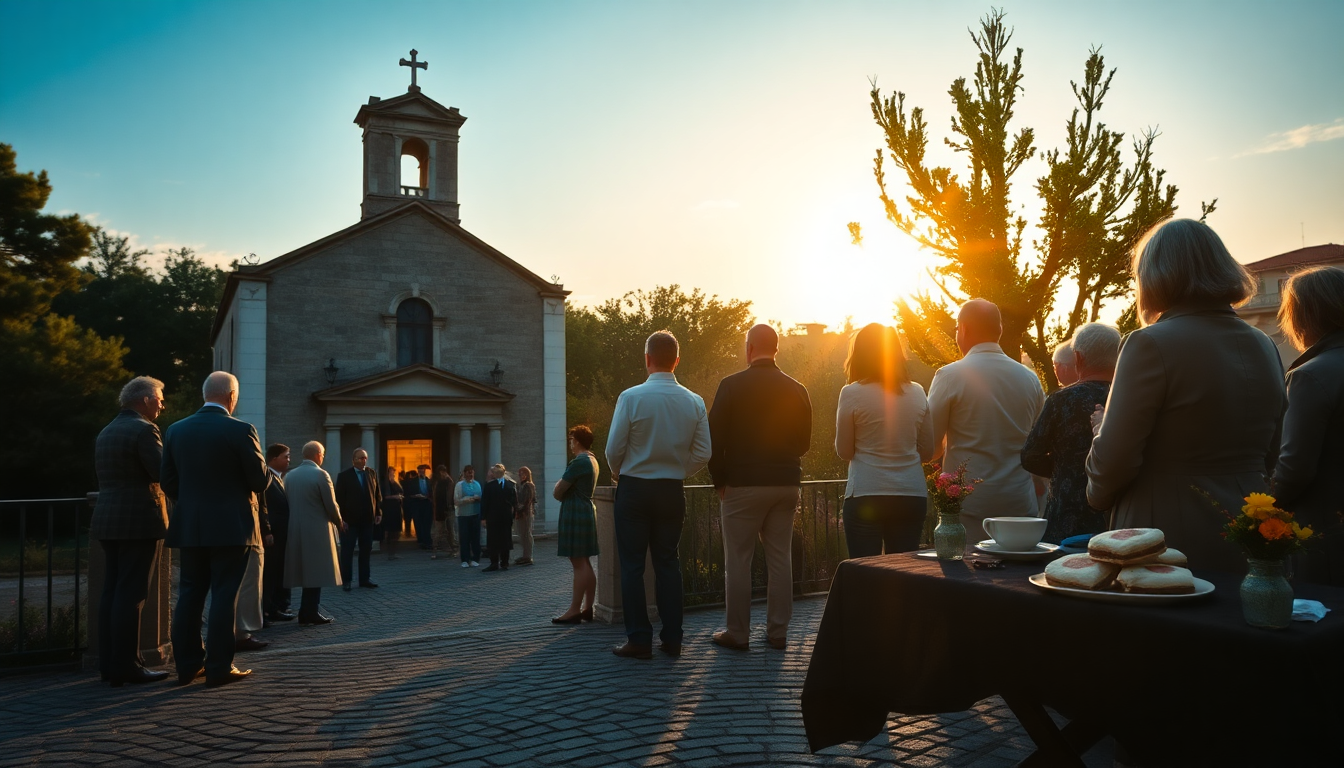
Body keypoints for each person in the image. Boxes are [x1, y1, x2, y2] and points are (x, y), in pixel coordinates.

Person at [1086, 218, 1284, 575]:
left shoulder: (1148, 343)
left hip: (1165, 527)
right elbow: (1273, 447)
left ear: (1154, 274)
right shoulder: (1263, 343)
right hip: (1251, 525)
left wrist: (1100, 443)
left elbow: (1115, 457)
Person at [606, 330, 712, 659]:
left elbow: (613, 448)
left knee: (633, 566)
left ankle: (639, 639)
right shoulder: (694, 401)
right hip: (671, 489)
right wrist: (679, 469)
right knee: (668, 563)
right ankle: (673, 638)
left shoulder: (631, 397)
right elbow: (704, 452)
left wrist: (618, 470)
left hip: (635, 488)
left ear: (647, 359)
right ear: (676, 360)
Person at [707, 324, 812, 652]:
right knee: (780, 558)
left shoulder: (731, 386)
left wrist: (720, 481)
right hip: (785, 484)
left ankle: (737, 633)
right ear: (776, 349)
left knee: (738, 559)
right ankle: (778, 631)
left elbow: (713, 440)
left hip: (742, 485)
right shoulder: (798, 389)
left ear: (750, 348)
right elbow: (804, 444)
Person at [162, 371, 270, 687]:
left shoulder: (175, 430)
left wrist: (195, 503)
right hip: (232, 527)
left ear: (204, 393)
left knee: (190, 595)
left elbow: (168, 480)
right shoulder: (241, 430)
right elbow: (260, 481)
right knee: (224, 595)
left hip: (191, 525)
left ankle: (187, 666)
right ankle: (219, 667)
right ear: (231, 397)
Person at [927, 300, 1046, 542]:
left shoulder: (949, 376)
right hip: (1019, 501)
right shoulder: (1030, 379)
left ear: (964, 329)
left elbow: (931, 446)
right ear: (999, 331)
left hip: (969, 505)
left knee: (964, 576)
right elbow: (1040, 441)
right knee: (1015, 577)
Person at [91, 375, 171, 686]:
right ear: (146, 399)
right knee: (133, 594)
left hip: (108, 519)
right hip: (138, 520)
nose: (162, 405)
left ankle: (110, 664)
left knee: (112, 592)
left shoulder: (107, 430)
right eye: (160, 399)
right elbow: (161, 472)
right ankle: (129, 665)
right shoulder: (144, 429)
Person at [834, 323, 935, 559]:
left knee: (865, 572)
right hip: (911, 494)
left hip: (867, 492)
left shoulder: (851, 393)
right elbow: (928, 451)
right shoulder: (918, 392)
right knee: (903, 575)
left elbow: (844, 451)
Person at [1273, 266, 1344, 586]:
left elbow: (1295, 468)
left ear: (1302, 317)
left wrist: (1262, 509)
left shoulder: (1310, 375)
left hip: (1325, 533)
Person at [1021, 323, 1120, 544]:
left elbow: (1029, 455)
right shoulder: (1129, 399)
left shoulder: (1062, 400)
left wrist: (1063, 470)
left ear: (1078, 358)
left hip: (1067, 511)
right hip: (1117, 514)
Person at [283, 441, 345, 625]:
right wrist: (339, 521)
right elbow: (331, 504)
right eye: (323, 453)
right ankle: (310, 611)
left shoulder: (290, 476)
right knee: (316, 571)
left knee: (304, 571)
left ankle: (306, 610)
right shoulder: (321, 474)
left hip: (295, 528)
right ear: (318, 454)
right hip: (317, 529)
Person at [551, 427, 600, 624]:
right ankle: (587, 608)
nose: (569, 443)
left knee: (578, 562)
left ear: (577, 441)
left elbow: (558, 490)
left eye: (571, 439)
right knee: (585, 561)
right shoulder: (593, 459)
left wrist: (559, 489)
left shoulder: (580, 461)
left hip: (576, 512)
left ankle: (574, 610)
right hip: (586, 509)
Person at [334, 447, 382, 590]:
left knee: (366, 550)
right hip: (350, 521)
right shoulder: (344, 476)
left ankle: (364, 579)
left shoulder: (371, 473)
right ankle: (347, 580)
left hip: (367, 520)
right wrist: (341, 519)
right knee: (347, 552)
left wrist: (378, 512)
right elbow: (339, 499)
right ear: (354, 460)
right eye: (361, 458)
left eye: (365, 457)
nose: (364, 460)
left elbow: (377, 494)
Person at [262, 444, 295, 622]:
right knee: (270, 574)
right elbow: (264, 507)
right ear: (274, 458)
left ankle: (274, 608)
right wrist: (267, 530)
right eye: (286, 456)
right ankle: (266, 611)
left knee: (278, 573)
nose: (289, 460)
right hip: (272, 537)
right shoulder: (267, 478)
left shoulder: (280, 478)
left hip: (281, 536)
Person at [481, 464, 518, 572]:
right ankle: (494, 563)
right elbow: (485, 502)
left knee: (505, 539)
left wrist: (513, 514)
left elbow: (514, 501)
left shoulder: (510, 484)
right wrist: (483, 518)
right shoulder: (489, 486)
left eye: (497, 471)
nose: (495, 473)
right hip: (492, 517)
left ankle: (505, 562)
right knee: (493, 540)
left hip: (506, 517)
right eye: (494, 471)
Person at [453, 465, 483, 567]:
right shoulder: (459, 485)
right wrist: (465, 500)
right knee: (464, 538)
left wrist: (478, 498)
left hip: (475, 514)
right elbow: (456, 501)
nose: (470, 474)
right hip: (464, 515)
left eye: (472, 472)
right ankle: (465, 559)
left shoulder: (477, 484)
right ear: (464, 473)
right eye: (468, 472)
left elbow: (481, 498)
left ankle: (475, 558)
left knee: (475, 537)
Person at [431, 464, 457, 560]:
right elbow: (434, 497)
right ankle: (434, 550)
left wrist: (449, 479)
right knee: (438, 531)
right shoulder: (436, 482)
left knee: (451, 531)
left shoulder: (449, 481)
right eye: (441, 471)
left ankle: (454, 549)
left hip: (448, 509)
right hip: (439, 509)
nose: (443, 473)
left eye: (444, 471)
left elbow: (451, 491)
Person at [405, 464, 434, 550]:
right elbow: (408, 494)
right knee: (418, 523)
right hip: (416, 504)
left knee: (427, 523)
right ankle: (421, 541)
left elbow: (432, 493)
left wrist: (427, 497)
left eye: (422, 470)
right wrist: (415, 496)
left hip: (427, 503)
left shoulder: (429, 481)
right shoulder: (412, 482)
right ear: (418, 471)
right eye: (419, 470)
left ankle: (427, 541)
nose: (421, 472)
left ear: (425, 471)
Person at [513, 466, 537, 566]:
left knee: (527, 535)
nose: (521, 475)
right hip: (520, 512)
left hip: (526, 513)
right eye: (520, 473)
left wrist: (519, 510)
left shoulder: (529, 485)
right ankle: (524, 555)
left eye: (523, 473)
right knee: (522, 535)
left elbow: (527, 500)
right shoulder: (520, 485)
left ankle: (528, 556)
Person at [380, 466, 404, 561]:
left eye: (393, 473)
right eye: (391, 473)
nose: (393, 475)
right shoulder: (386, 484)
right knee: (390, 531)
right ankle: (390, 553)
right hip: (389, 510)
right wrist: (395, 497)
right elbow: (385, 496)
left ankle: (393, 553)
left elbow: (400, 492)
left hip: (396, 508)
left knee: (396, 532)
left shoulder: (395, 483)